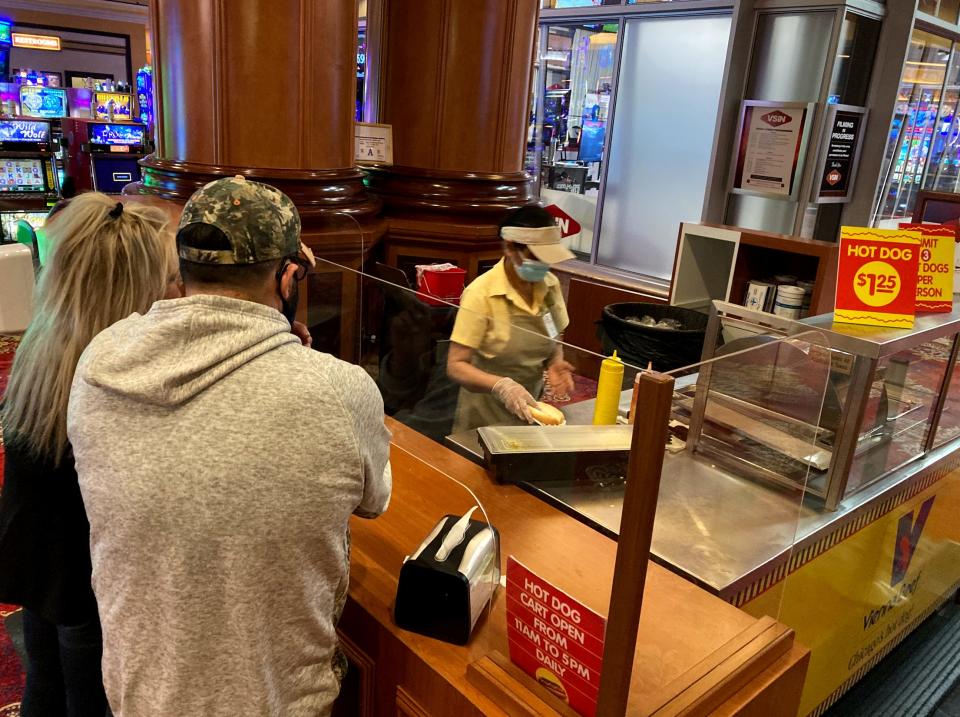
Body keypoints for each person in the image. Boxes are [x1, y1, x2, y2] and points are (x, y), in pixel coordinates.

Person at [67, 176, 392, 717]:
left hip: (138, 691)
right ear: (290, 277)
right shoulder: (340, 388)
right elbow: (374, 500)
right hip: (278, 701)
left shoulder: (100, 361)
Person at [0, 193, 180, 717]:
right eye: (169, 278)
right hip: (87, 580)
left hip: (37, 562)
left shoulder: (44, 344)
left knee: (45, 684)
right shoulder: (115, 376)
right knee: (89, 701)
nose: (177, 290)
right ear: (134, 285)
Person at [447, 206, 576, 432]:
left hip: (532, 411)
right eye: (536, 258)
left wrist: (555, 362)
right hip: (484, 416)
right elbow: (456, 366)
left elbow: (555, 337)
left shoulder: (550, 285)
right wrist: (501, 385)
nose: (544, 266)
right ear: (510, 248)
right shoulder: (481, 294)